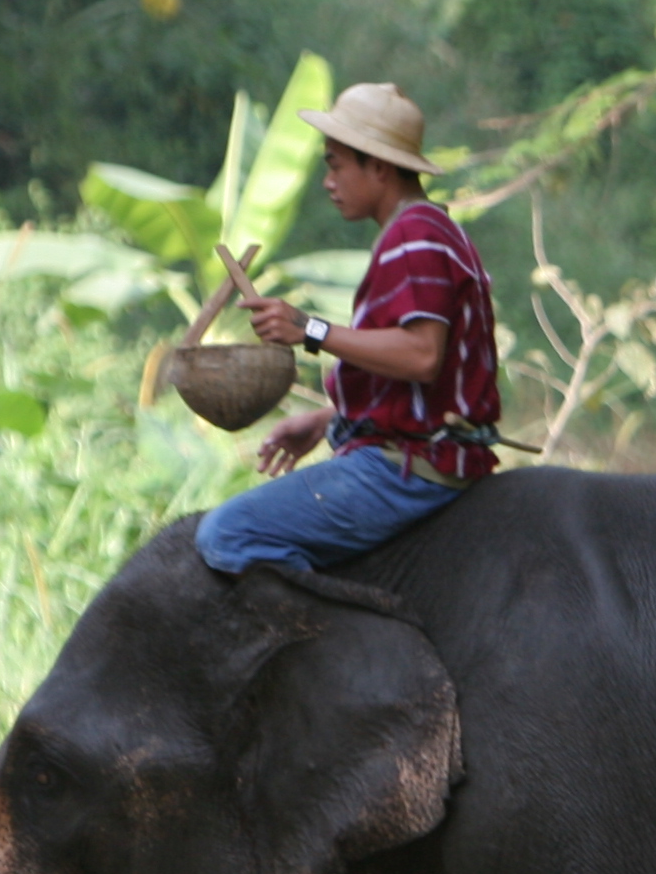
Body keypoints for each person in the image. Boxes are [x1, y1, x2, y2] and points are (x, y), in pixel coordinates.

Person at [194, 81, 503, 575]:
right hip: (428, 451)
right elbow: (424, 379)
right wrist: (324, 423)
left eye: (336, 165)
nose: (328, 181)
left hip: (410, 469)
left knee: (226, 534)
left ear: (378, 168)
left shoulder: (414, 236)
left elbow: (423, 356)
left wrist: (308, 329)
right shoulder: (433, 230)